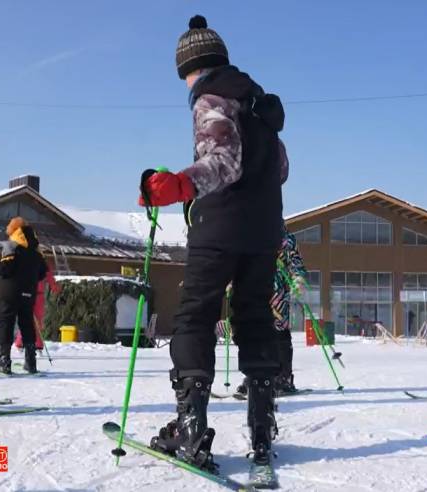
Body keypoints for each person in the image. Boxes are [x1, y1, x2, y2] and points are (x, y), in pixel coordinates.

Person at [141, 15, 288, 474]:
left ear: (192, 67)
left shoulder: (211, 97)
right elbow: (281, 168)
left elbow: (223, 161)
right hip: (264, 230)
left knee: (196, 316)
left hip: (219, 227)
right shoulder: (259, 104)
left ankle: (191, 427)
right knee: (255, 318)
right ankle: (262, 431)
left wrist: (179, 185)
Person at [235, 224, 307, 397]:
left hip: (278, 292)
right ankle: (254, 374)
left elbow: (295, 262)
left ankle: (283, 376)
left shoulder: (285, 237)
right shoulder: (248, 234)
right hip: (253, 289)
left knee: (278, 331)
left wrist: (298, 279)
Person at [0, 217, 50, 374]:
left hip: (11, 291)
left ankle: (4, 360)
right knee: (26, 323)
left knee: (5, 321)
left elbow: (6, 268)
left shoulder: (12, 246)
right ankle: (31, 362)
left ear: (13, 231)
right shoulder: (37, 251)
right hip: (29, 292)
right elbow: (42, 273)